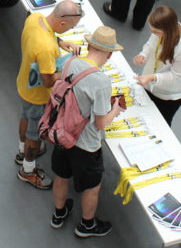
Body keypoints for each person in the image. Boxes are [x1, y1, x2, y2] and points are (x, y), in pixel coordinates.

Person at [50, 26, 126, 238]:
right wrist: (115, 110)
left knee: (61, 176)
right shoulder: (101, 82)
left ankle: (59, 213)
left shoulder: (70, 63)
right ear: (109, 54)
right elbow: (100, 123)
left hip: (63, 133)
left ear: (89, 45)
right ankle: (87, 225)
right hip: (86, 145)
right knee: (92, 187)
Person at [15, 0, 83, 189]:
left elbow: (48, 37)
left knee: (25, 117)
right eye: (71, 26)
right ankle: (28, 170)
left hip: (24, 85)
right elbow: (48, 80)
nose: (70, 29)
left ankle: (21, 150)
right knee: (35, 133)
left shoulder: (35, 18)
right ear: (63, 22)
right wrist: (69, 68)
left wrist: (61, 43)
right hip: (38, 97)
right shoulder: (46, 49)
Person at [131, 6, 181, 126]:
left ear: (167, 30)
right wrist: (143, 55)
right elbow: (150, 44)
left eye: (156, 32)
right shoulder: (160, 30)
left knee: (160, 124)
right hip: (150, 83)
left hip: (168, 96)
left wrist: (153, 77)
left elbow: (176, 76)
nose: (153, 33)